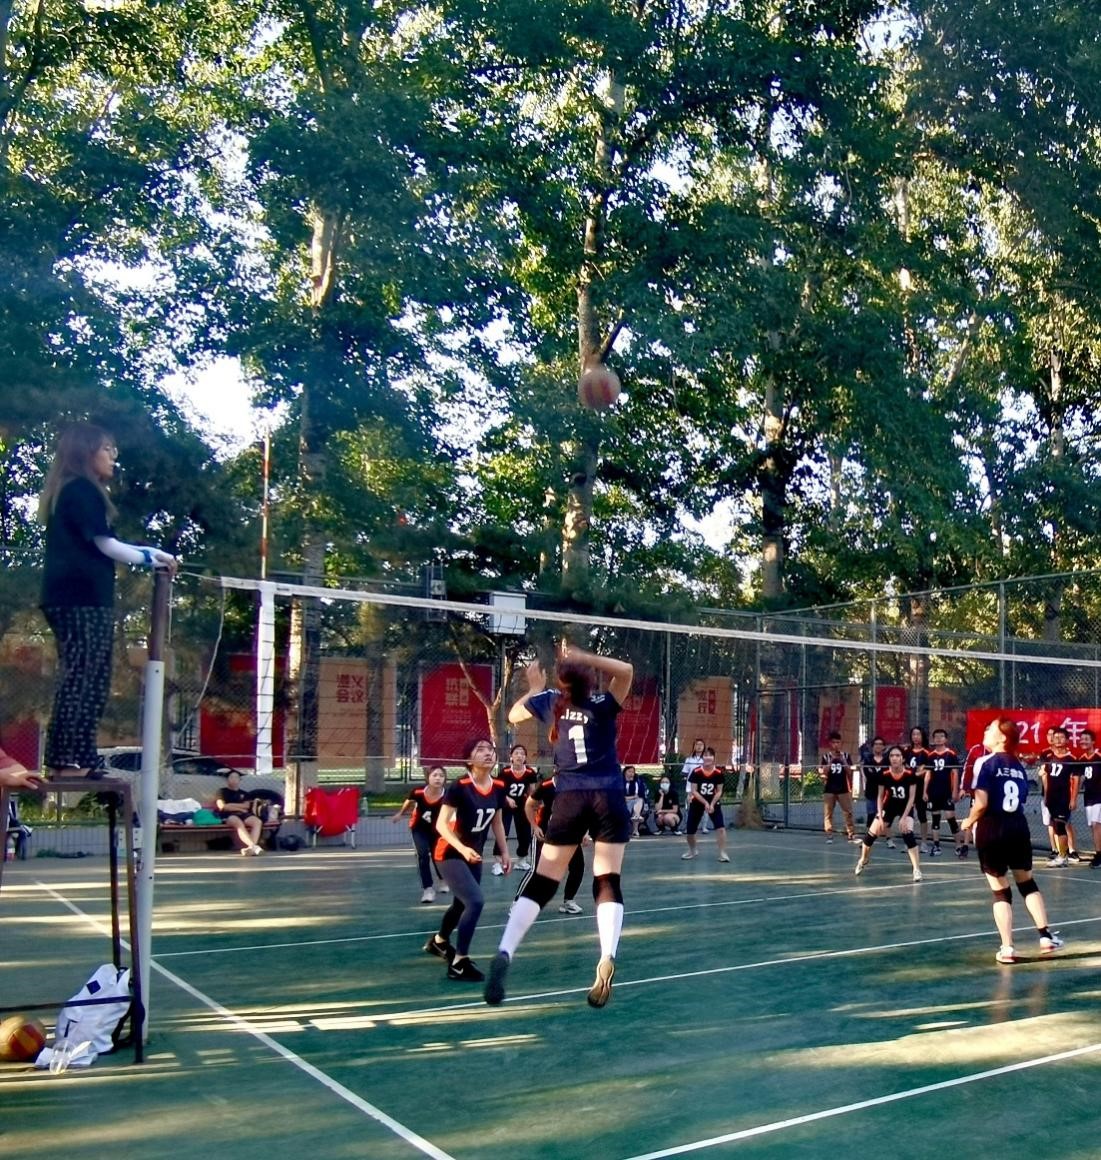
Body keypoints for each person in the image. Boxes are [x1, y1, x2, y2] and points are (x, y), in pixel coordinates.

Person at [484, 643, 633, 1009]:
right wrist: (585, 657)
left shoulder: (552, 702)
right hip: (608, 796)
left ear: (561, 683)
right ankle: (607, 955)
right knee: (607, 879)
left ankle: (505, 950)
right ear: (589, 681)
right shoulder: (603, 704)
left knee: (543, 880)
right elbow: (626, 670)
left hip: (569, 798)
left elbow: (512, 716)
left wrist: (535, 688)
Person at [38, 423, 177, 779]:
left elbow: (109, 542)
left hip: (82, 599)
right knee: (83, 678)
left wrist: (154, 553)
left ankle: (79, 757)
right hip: (78, 599)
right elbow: (107, 545)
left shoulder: (78, 491)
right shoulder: (80, 490)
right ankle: (66, 759)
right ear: (86, 452)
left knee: (92, 678)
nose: (114, 456)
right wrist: (151, 558)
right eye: (107, 449)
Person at [959, 717, 1064, 964]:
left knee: (1000, 891)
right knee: (1027, 883)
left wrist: (968, 821)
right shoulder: (1018, 765)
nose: (986, 732)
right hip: (1017, 827)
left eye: (991, 729)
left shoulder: (985, 762)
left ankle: (1007, 948)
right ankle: (1045, 936)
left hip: (992, 828)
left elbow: (981, 803)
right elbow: (1021, 797)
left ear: (1002, 738)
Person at [424, 738, 510, 982]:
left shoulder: (498, 786)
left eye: (490, 749)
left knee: (461, 904)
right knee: (475, 901)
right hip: (449, 853)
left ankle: (439, 941)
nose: (488, 753)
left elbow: (497, 821)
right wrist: (462, 848)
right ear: (469, 759)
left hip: (473, 853)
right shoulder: (460, 786)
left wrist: (504, 851)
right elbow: (441, 825)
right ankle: (459, 963)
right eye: (480, 750)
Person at [854, 745, 923, 882]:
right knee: (870, 836)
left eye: (897, 755)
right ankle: (863, 859)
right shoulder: (884, 775)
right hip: (889, 806)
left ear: (903, 759)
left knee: (908, 834)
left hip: (905, 807)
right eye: (892, 756)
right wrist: (880, 816)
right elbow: (880, 797)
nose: (894, 758)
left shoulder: (910, 775)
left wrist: (904, 817)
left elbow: (912, 798)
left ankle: (916, 869)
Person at [521, 773, 587, 914]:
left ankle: (568, 901)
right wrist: (534, 826)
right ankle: (518, 903)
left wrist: (584, 832)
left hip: (570, 834)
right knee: (536, 870)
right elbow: (529, 805)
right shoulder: (546, 785)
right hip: (545, 834)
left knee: (578, 867)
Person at [391, 766, 450, 902]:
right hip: (419, 828)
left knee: (438, 856)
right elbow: (409, 801)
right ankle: (428, 889)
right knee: (422, 855)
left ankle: (442, 879)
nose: (438, 778)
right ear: (428, 777)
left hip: (439, 829)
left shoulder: (448, 795)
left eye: (441, 776)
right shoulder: (418, 792)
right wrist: (400, 813)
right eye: (434, 775)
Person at [492, 744, 538, 875]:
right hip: (505, 804)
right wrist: (507, 799)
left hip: (522, 805)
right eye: (516, 753)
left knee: (524, 833)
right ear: (511, 756)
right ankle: (498, 863)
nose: (519, 756)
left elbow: (531, 791)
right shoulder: (505, 772)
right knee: (503, 832)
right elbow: (499, 790)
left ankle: (521, 860)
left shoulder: (530, 772)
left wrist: (532, 804)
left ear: (525, 757)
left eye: (522, 754)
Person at [681, 747, 730, 863]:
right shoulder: (696, 772)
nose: (708, 758)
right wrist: (705, 803)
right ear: (702, 757)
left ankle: (722, 853)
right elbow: (694, 791)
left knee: (720, 828)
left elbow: (719, 791)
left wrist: (712, 804)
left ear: (714, 758)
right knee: (690, 831)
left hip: (713, 802)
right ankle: (692, 850)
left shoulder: (718, 773)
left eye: (710, 755)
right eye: (705, 755)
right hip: (698, 801)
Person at [1040, 728, 1078, 868]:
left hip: (1064, 797)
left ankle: (1063, 856)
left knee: (1061, 826)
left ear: (1067, 740)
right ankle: (1061, 855)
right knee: (1056, 826)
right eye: (1055, 737)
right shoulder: (1049, 756)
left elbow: (1075, 780)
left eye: (1061, 737)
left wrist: (1073, 799)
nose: (1058, 740)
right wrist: (1046, 795)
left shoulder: (1072, 759)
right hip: (1051, 797)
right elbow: (1045, 776)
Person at [924, 729, 962, 857]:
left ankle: (958, 846)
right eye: (936, 737)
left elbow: (955, 773)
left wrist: (955, 791)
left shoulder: (951, 754)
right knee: (935, 818)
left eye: (941, 736)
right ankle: (936, 845)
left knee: (950, 817)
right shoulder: (930, 755)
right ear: (933, 739)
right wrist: (925, 791)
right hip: (934, 791)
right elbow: (928, 774)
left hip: (947, 791)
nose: (939, 739)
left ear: (946, 739)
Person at [215, 770, 267, 856]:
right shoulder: (221, 791)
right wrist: (240, 808)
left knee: (257, 822)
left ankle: (251, 848)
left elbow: (246, 806)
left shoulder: (244, 793)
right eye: (231, 777)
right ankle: (254, 846)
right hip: (228, 815)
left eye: (236, 777)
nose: (234, 779)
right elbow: (222, 806)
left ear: (239, 780)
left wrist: (230, 805)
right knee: (238, 823)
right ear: (227, 780)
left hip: (243, 814)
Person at [818, 731, 856, 844]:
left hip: (843, 788)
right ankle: (829, 834)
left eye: (838, 742)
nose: (836, 745)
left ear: (841, 743)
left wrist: (843, 761)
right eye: (834, 742)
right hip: (829, 788)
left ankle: (850, 833)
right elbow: (823, 772)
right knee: (828, 813)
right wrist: (831, 761)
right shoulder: (826, 757)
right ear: (830, 743)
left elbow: (850, 772)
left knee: (848, 812)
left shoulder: (846, 756)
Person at [904, 726, 932, 852]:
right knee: (907, 814)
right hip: (908, 786)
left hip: (920, 787)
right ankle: (909, 841)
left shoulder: (926, 752)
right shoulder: (907, 751)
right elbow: (904, 767)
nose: (915, 737)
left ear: (922, 736)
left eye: (918, 734)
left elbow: (927, 770)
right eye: (913, 734)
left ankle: (924, 842)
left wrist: (918, 773)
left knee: (922, 814)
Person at [1076, 730, 1101, 868]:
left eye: (1086, 739)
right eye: (1082, 739)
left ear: (1093, 742)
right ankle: (1098, 851)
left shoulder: (1098, 756)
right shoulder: (1082, 759)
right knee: (1093, 825)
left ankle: (1099, 855)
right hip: (1089, 797)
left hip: (1099, 796)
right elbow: (1079, 779)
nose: (1083, 741)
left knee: (1097, 824)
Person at [861, 737, 888, 830]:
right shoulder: (868, 760)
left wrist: (876, 775)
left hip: (884, 793)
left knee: (882, 814)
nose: (878, 746)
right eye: (876, 744)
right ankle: (869, 834)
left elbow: (887, 775)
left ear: (884, 747)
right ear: (872, 746)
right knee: (871, 814)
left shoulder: (887, 760)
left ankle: (882, 833)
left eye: (880, 744)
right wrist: (879, 775)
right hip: (870, 791)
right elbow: (868, 775)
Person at [623, 765, 647, 838]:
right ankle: (636, 816)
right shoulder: (619, 781)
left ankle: (635, 830)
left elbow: (639, 795)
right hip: (622, 802)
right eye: (629, 771)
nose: (631, 774)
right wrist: (631, 797)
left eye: (633, 772)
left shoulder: (636, 782)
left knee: (639, 801)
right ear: (625, 772)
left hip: (634, 802)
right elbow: (620, 797)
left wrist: (630, 798)